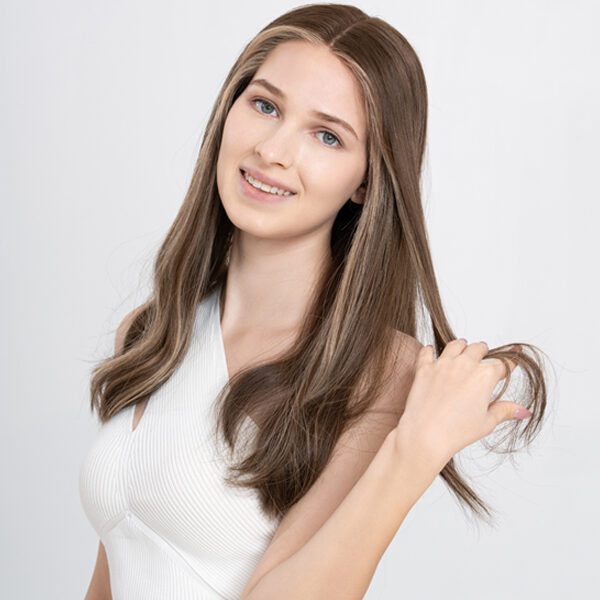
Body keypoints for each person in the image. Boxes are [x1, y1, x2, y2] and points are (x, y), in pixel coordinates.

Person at [79, 3, 548, 599]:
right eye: (265, 105)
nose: (273, 150)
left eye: (327, 135)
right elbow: (113, 575)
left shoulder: (380, 374)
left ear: (366, 180)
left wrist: (413, 453)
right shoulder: (152, 332)